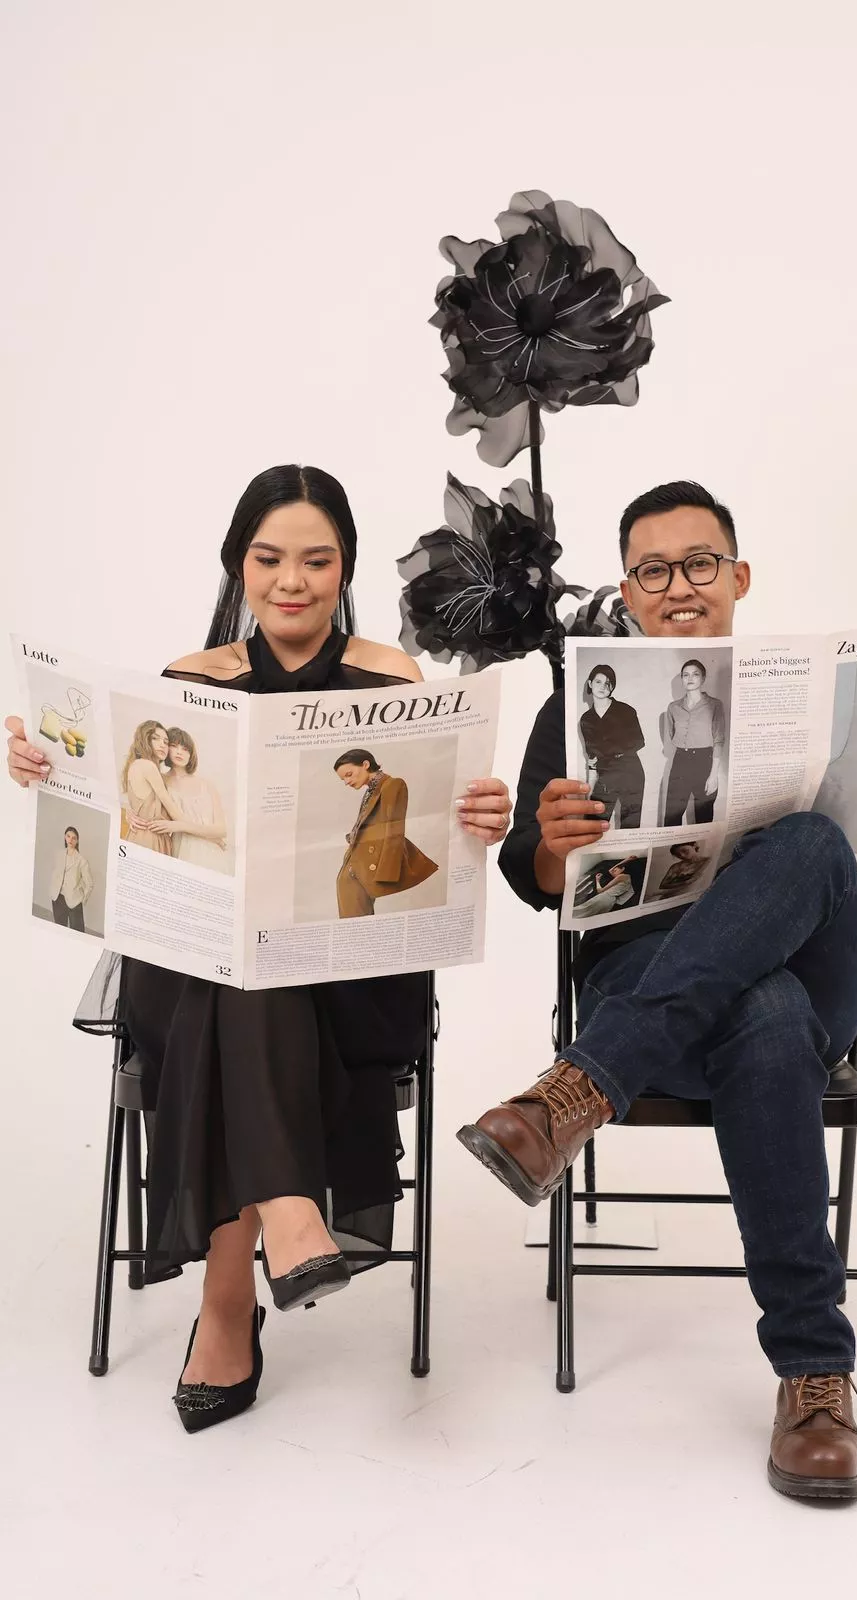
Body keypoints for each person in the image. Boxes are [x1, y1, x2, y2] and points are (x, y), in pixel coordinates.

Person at [456, 479, 857, 1502]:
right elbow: (531, 873)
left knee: (814, 843)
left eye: (699, 563)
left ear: (739, 577)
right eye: (653, 570)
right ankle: (813, 1375)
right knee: (764, 1013)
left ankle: (575, 1093)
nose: (678, 586)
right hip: (648, 974)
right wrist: (554, 847)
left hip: (793, 982)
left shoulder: (817, 697)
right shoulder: (578, 698)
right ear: (627, 591)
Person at [5, 464, 512, 1433]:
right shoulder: (191, 680)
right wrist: (47, 768)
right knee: (234, 962)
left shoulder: (393, 678)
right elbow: (131, 832)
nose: (291, 580)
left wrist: (480, 815)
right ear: (238, 564)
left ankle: (227, 1299)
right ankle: (286, 1213)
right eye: (269, 558)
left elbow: (419, 838)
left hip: (348, 974)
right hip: (196, 960)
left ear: (345, 567)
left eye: (316, 560)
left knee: (252, 975)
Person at [333, 748, 437, 917]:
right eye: (343, 779)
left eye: (349, 774)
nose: (347, 781)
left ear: (365, 764)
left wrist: (386, 874)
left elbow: (394, 830)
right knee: (353, 925)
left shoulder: (392, 785)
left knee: (357, 925)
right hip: (354, 867)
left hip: (364, 870)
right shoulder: (371, 791)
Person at [130, 726, 229, 870]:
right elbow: (141, 801)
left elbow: (222, 830)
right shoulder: (159, 779)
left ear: (191, 754)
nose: (179, 752)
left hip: (210, 852)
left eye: (185, 749)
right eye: (174, 746)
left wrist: (179, 826)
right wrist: (129, 814)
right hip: (179, 849)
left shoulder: (207, 785)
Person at [578, 664, 645, 828]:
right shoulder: (586, 719)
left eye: (608, 683)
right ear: (590, 684)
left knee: (630, 827)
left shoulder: (626, 711)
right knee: (593, 825)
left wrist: (606, 754)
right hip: (606, 775)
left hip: (630, 772)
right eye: (598, 682)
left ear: (612, 687)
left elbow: (638, 741)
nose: (603, 687)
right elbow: (592, 759)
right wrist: (590, 789)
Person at [662, 659, 725, 825]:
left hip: (705, 762)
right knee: (671, 817)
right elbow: (672, 734)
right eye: (685, 675)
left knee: (704, 817)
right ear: (682, 679)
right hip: (680, 761)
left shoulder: (715, 705)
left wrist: (713, 775)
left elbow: (719, 740)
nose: (690, 678)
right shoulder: (673, 707)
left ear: (703, 678)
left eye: (695, 674)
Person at [120, 720, 182, 853]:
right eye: (155, 738)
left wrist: (128, 813)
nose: (162, 744)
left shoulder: (136, 765)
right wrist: (207, 833)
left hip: (140, 835)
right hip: (150, 838)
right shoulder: (148, 766)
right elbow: (175, 814)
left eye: (166, 742)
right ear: (145, 740)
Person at [50, 825, 94, 930]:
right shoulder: (59, 854)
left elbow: (90, 884)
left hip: (74, 900)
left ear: (77, 841)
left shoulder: (82, 861)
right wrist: (53, 888)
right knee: (59, 929)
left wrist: (82, 900)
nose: (70, 840)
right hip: (58, 898)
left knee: (77, 932)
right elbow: (56, 873)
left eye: (74, 838)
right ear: (65, 837)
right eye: (68, 836)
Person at [573, 854, 645, 917]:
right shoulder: (626, 878)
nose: (613, 871)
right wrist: (626, 860)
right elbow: (610, 870)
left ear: (623, 869)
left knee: (579, 911)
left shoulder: (621, 876)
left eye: (615, 870)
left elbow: (600, 890)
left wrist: (597, 880)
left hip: (604, 898)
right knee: (585, 914)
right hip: (610, 903)